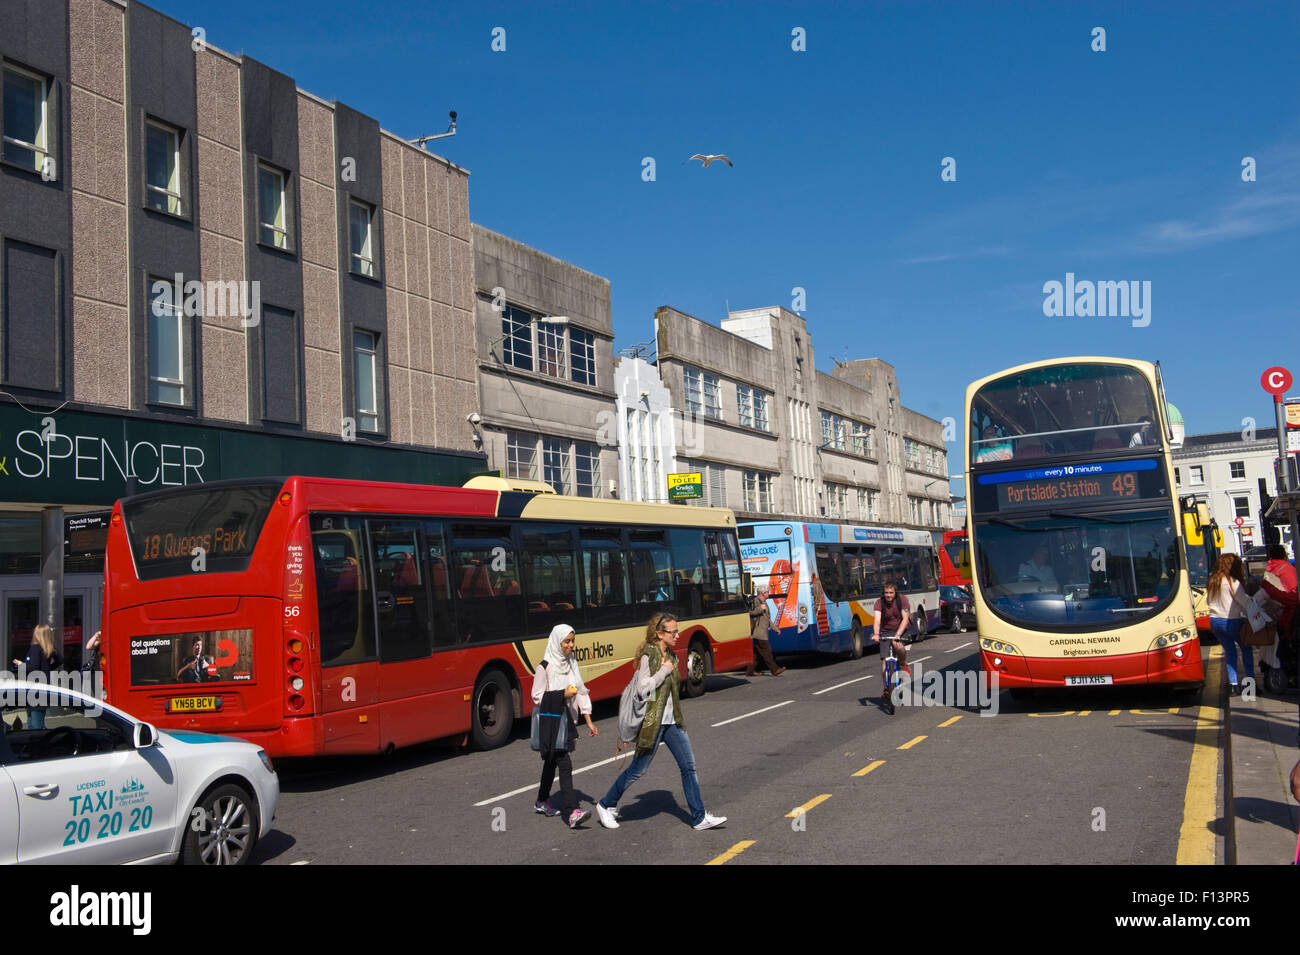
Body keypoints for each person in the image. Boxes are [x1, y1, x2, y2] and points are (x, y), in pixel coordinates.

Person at [594, 613, 726, 831]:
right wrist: (664, 671)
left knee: (688, 767)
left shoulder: (672, 656)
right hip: (654, 723)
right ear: (659, 633)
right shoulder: (651, 655)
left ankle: (699, 817)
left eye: (677, 630)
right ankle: (606, 804)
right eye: (673, 632)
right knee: (638, 770)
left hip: (672, 723)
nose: (677, 635)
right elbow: (643, 688)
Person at [531, 623, 597, 829]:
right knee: (565, 764)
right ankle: (572, 812)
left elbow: (580, 688)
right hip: (551, 723)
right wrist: (562, 695)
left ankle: (542, 801)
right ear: (557, 642)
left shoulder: (570, 662)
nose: (571, 645)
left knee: (551, 763)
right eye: (567, 641)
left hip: (567, 719)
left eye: (572, 641)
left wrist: (588, 720)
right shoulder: (544, 667)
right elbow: (536, 696)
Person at [1207, 553, 1253, 695]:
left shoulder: (1212, 581)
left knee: (1230, 652)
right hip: (1232, 621)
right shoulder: (1233, 582)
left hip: (1215, 621)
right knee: (1246, 649)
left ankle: (1233, 685)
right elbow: (1244, 603)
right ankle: (1250, 686)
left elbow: (1209, 602)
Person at [14, 624, 59, 729]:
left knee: (34, 725)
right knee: (36, 721)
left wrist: (21, 665)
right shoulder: (49, 648)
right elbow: (60, 660)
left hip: (34, 690)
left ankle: (44, 743)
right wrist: (47, 670)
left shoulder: (35, 648)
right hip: (43, 688)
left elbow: (33, 667)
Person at [871, 582, 911, 696]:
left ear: (895, 592)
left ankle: (903, 663)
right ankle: (886, 689)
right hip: (885, 632)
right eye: (886, 593)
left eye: (891, 593)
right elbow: (877, 620)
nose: (888, 595)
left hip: (900, 629)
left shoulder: (902, 599)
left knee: (899, 647)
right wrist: (876, 634)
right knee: (884, 661)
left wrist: (898, 634)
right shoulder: (879, 603)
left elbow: (905, 619)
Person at [1260, 543, 1297, 640]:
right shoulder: (1288, 569)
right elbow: (1293, 595)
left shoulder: (1269, 569)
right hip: (1288, 615)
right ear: (1284, 555)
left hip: (1271, 615)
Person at [745, 587, 784, 676]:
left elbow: (767, 618)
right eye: (767, 592)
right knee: (767, 651)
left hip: (762, 631)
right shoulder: (756, 601)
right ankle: (775, 670)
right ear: (762, 593)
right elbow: (749, 613)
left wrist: (776, 629)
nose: (768, 593)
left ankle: (750, 671)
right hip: (758, 632)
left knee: (757, 654)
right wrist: (760, 609)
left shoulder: (764, 602)